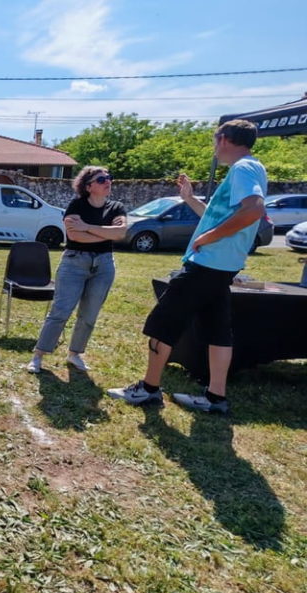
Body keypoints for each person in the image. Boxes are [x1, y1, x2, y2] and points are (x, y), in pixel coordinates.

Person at [107, 119, 267, 414]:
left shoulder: (242, 168)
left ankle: (148, 390)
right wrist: (190, 199)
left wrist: (208, 237)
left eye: (215, 141)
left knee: (163, 322)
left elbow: (254, 210)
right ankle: (216, 398)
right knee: (218, 330)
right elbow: (218, 217)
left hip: (207, 263)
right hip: (223, 266)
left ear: (224, 139)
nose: (214, 148)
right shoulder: (255, 167)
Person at [27, 166, 127, 373]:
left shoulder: (117, 207)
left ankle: (74, 354)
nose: (108, 181)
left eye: (109, 177)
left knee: (89, 314)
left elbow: (120, 233)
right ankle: (38, 355)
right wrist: (105, 233)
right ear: (88, 186)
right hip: (74, 262)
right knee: (61, 311)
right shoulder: (76, 205)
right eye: (101, 179)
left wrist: (87, 227)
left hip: (104, 265)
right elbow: (74, 236)